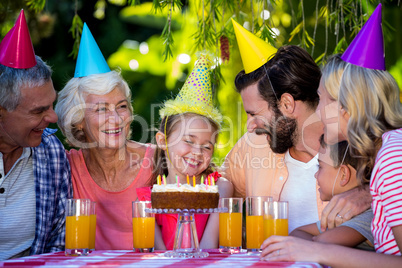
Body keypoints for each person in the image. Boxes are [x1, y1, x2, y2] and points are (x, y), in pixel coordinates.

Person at [261, 4, 402, 266]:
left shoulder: (392, 157)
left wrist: (317, 252)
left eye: (322, 99)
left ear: (346, 107)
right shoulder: (387, 150)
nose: (318, 110)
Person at [223, 20, 371, 233]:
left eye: (254, 114)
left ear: (287, 104)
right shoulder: (254, 145)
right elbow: (215, 180)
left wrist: (369, 194)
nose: (250, 126)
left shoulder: (358, 144)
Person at [55, 23, 154, 250]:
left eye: (121, 106)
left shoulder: (157, 162)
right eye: (101, 109)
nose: (117, 119)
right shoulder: (65, 167)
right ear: (78, 120)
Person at [137, 54, 233, 250]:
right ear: (162, 141)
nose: (198, 152)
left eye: (207, 146)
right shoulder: (149, 198)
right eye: (189, 141)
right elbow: (158, 255)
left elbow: (208, 247)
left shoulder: (220, 189)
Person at [0, 10, 72, 260]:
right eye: (39, 110)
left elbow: (58, 239)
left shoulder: (51, 150)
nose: (53, 118)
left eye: (52, 105)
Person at [291, 138, 374, 251]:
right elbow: (297, 233)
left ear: (344, 174)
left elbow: (322, 243)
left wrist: (311, 244)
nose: (316, 175)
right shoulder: (345, 212)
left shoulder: (370, 214)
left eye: (320, 167)